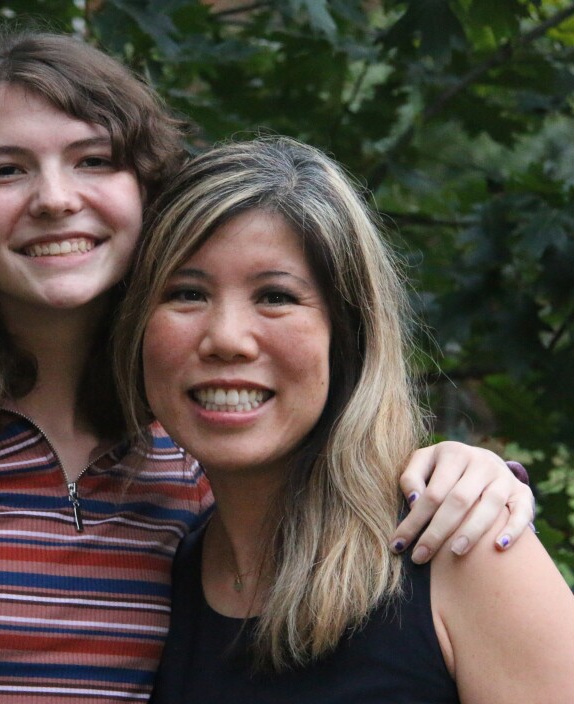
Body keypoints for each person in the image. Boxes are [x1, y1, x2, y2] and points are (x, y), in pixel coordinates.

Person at [0, 30, 534, 704]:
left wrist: (472, 471)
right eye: (6, 169)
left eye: (94, 160)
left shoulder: (197, 458)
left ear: (150, 200)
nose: (55, 197)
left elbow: (342, 497)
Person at [113, 136, 574, 703]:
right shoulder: (156, 580)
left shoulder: (463, 545)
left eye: (276, 297)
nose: (226, 338)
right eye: (186, 293)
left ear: (348, 335)